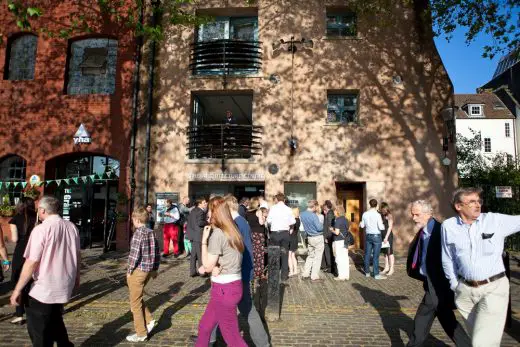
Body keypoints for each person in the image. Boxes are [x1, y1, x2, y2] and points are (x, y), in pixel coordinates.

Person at [441, 187, 520, 347]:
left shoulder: (495, 220)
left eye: (479, 201)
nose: (477, 205)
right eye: (472, 201)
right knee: (479, 339)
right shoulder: (448, 226)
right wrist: (455, 284)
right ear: (458, 206)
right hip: (465, 293)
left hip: (494, 289)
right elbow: (447, 258)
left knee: (482, 343)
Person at [10, 195, 80, 347]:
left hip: (43, 288)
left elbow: (31, 263)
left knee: (39, 332)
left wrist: (17, 289)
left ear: (42, 210)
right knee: (55, 320)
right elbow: (77, 256)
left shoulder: (41, 230)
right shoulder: (71, 227)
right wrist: (76, 278)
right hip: (63, 284)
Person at [407, 200, 470, 347]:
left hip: (439, 284)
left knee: (422, 318)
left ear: (428, 214)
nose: (414, 218)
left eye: (417, 214)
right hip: (430, 282)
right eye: (412, 214)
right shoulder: (423, 231)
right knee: (447, 319)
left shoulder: (441, 231)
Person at [210, 195, 270, 346]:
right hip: (241, 272)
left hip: (234, 275)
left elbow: (232, 251)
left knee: (227, 308)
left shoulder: (235, 224)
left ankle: (210, 340)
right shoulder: (242, 221)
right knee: (244, 309)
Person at [196, 197, 247, 347]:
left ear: (216, 213)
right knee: (205, 327)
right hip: (229, 287)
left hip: (224, 290)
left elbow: (207, 265)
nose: (207, 214)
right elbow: (231, 257)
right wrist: (216, 266)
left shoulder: (217, 234)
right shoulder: (233, 230)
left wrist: (204, 240)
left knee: (232, 338)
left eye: (210, 211)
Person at [126, 207, 160, 342]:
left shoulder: (138, 234)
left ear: (137, 219)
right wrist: (155, 269)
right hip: (148, 271)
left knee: (134, 303)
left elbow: (134, 255)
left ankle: (141, 333)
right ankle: (150, 320)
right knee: (138, 298)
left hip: (138, 271)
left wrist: (129, 271)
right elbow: (156, 252)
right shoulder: (151, 232)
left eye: (133, 219)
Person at [9, 197, 37, 324]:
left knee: (18, 281)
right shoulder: (38, 217)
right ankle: (33, 310)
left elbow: (14, 239)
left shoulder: (15, 219)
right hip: (34, 251)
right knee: (33, 281)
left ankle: (19, 314)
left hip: (20, 252)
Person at [266, 193, 296, 281]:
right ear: (284, 200)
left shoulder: (273, 208)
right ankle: (284, 276)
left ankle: (274, 275)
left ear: (276, 199)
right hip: (285, 233)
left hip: (275, 233)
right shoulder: (288, 209)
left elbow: (269, 221)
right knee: (285, 255)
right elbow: (293, 221)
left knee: (274, 255)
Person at [360, 199, 386, 279]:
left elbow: (362, 226)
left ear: (369, 205)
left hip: (368, 236)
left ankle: (367, 272)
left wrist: (360, 223)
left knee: (367, 254)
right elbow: (381, 227)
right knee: (375, 256)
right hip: (376, 236)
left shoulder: (365, 214)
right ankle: (376, 274)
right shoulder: (377, 215)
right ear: (376, 205)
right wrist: (384, 225)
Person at [300, 200, 325, 282]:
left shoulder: (302, 214)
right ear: (314, 206)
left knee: (310, 256)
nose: (317, 208)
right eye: (316, 207)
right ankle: (314, 276)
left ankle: (305, 273)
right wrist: (322, 224)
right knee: (317, 257)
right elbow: (319, 228)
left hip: (310, 237)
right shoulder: (313, 216)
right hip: (317, 237)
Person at [245, 197, 267, 279]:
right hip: (259, 234)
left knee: (253, 252)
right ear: (256, 203)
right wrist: (264, 219)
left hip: (251, 233)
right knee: (260, 253)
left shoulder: (247, 212)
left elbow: (247, 222)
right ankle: (260, 273)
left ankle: (253, 271)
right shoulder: (258, 211)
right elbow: (261, 223)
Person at [186, 197, 208, 277]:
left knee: (193, 255)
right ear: (200, 204)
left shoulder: (193, 210)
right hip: (198, 236)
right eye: (204, 202)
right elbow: (200, 223)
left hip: (193, 235)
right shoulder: (201, 212)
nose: (206, 203)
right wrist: (207, 222)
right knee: (200, 255)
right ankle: (202, 272)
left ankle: (192, 272)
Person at [331, 205, 349, 281]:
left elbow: (337, 232)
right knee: (345, 258)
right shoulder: (345, 219)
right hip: (345, 240)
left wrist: (331, 230)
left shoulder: (338, 220)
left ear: (337, 212)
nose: (334, 212)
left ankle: (341, 276)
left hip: (338, 241)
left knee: (339, 258)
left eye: (334, 211)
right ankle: (346, 275)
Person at [379, 202, 395, 276]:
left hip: (388, 236)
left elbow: (390, 227)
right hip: (382, 236)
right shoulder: (381, 215)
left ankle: (391, 269)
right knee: (385, 253)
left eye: (382, 208)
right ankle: (386, 267)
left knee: (390, 253)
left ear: (385, 208)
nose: (381, 210)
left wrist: (386, 237)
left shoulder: (389, 215)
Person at [321, 200, 335, 275]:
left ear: (326, 206)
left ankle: (330, 268)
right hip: (327, 236)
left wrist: (327, 237)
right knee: (327, 252)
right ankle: (328, 267)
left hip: (328, 237)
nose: (323, 207)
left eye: (324, 206)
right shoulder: (328, 213)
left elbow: (330, 226)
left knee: (328, 252)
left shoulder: (329, 214)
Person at [288, 207, 300, 277]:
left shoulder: (293, 220)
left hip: (291, 238)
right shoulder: (298, 219)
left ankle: (291, 271)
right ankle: (295, 271)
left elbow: (290, 231)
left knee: (289, 256)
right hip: (295, 238)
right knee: (293, 255)